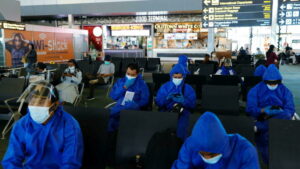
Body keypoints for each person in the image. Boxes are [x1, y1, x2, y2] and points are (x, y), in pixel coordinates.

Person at [2, 81, 84, 168]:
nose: (35, 106)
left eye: (41, 102)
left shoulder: (69, 125)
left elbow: (71, 162)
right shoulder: (22, 124)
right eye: (32, 102)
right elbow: (11, 159)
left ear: (55, 105)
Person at [172, 112, 260, 169]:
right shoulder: (190, 145)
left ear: (223, 148)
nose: (207, 157)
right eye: (203, 154)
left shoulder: (246, 151)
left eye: (212, 154)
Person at [247, 64, 295, 164]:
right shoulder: (255, 90)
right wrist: (262, 110)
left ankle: (259, 127)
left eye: (275, 83)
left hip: (277, 119)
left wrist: (279, 112)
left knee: (285, 115)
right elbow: (250, 109)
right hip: (262, 117)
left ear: (279, 81)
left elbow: (290, 109)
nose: (272, 85)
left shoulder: (285, 91)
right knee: (267, 138)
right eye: (270, 83)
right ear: (264, 81)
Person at [155, 64, 196, 140]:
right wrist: (166, 99)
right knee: (164, 135)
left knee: (181, 133)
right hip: (166, 112)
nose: (177, 79)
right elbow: (158, 102)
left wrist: (184, 101)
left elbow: (193, 105)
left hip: (183, 114)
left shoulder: (188, 88)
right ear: (171, 76)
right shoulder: (165, 87)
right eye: (175, 77)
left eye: (179, 77)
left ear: (183, 77)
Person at [108, 63, 149, 132]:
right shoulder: (120, 81)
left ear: (137, 74)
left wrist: (136, 104)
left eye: (132, 75)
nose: (129, 76)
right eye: (128, 74)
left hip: (134, 106)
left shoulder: (142, 84)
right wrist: (124, 87)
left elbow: (145, 100)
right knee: (111, 122)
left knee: (115, 113)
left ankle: (109, 113)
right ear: (126, 72)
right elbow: (113, 96)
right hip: (120, 105)